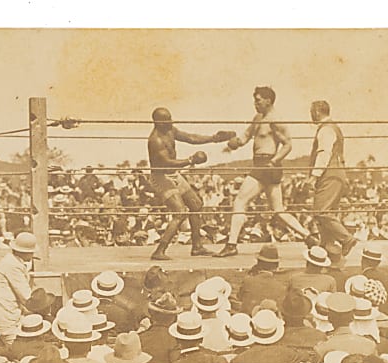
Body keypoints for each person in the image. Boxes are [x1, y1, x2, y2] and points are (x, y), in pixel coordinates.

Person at [218, 86, 310, 256]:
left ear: (268, 100)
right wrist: (231, 143)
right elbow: (245, 137)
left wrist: (274, 161)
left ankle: (231, 245)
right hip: (262, 164)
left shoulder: (275, 120)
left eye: (258, 100)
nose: (255, 103)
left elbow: (288, 145)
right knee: (279, 210)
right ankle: (310, 238)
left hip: (267, 164)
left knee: (239, 201)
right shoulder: (258, 118)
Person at [147, 107, 236, 260]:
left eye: (170, 118)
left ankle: (197, 246)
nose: (170, 122)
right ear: (158, 122)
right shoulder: (155, 140)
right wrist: (190, 161)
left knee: (196, 205)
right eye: (167, 120)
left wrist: (213, 138)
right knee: (180, 212)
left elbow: (190, 138)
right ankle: (159, 251)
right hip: (160, 177)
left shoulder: (170, 130)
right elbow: (166, 163)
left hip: (173, 174)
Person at [308, 100, 356, 254]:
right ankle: (326, 246)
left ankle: (346, 239)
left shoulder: (326, 129)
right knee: (328, 212)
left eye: (311, 112)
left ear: (316, 112)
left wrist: (314, 176)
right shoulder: (334, 127)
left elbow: (324, 153)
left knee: (321, 211)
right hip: (336, 172)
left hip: (329, 173)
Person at [0, 231, 38, 337]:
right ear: (25, 252)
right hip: (3, 316)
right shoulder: (14, 265)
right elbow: (26, 298)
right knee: (16, 345)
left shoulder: (11, 261)